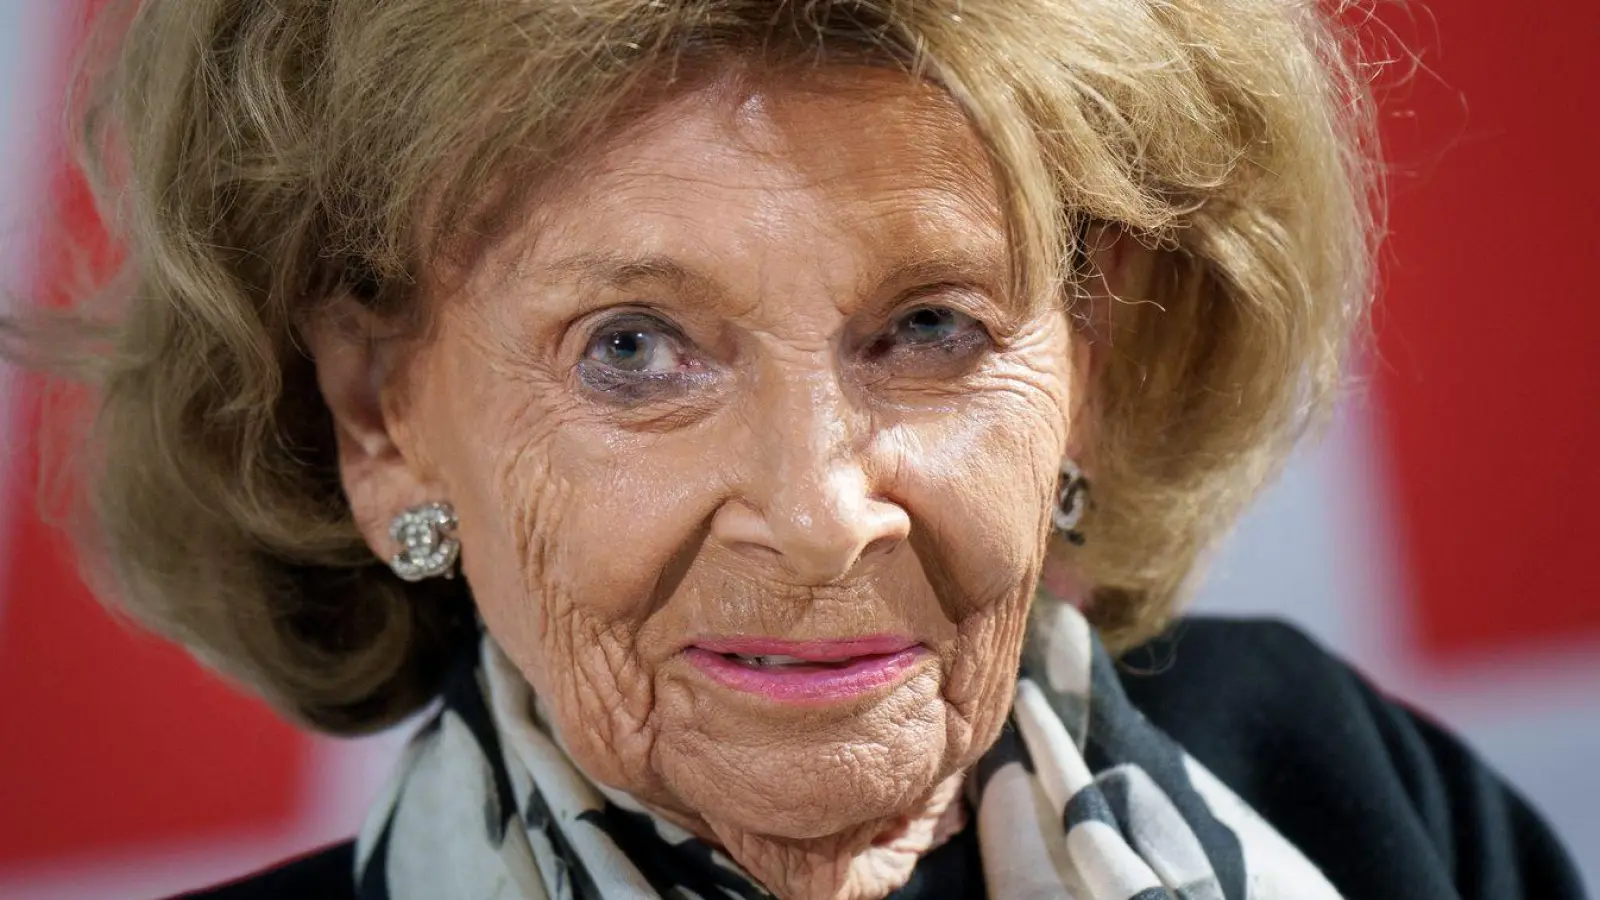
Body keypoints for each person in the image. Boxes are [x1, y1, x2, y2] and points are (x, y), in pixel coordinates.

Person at [9, 1, 1584, 898]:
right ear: (381, 420)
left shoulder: (1341, 788)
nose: (823, 515)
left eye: (930, 328)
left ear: (1089, 359)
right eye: (635, 350)